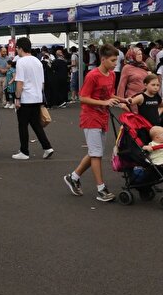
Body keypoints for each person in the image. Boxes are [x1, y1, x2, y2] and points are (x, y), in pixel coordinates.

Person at [64, 45, 121, 200]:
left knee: (95, 152)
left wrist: (123, 100)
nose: (116, 63)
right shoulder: (92, 75)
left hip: (102, 117)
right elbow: (83, 97)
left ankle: (73, 177)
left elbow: (111, 94)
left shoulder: (111, 75)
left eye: (116, 60)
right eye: (113, 60)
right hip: (90, 117)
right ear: (103, 60)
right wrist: (105, 103)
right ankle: (101, 189)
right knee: (96, 154)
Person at [12, 37, 54, 160]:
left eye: (17, 48)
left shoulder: (21, 62)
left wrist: (17, 98)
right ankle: (47, 147)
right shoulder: (37, 61)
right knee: (36, 124)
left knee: (23, 125)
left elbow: (20, 82)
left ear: (20, 48)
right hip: (37, 97)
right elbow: (42, 83)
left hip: (26, 98)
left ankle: (24, 151)